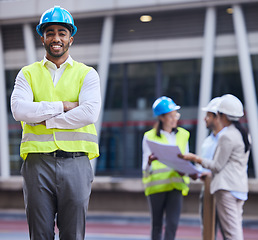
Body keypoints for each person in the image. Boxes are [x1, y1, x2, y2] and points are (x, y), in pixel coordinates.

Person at [10, 6, 101, 240]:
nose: (56, 38)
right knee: (40, 235)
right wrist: (63, 105)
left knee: (73, 235)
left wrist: (47, 121)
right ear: (42, 38)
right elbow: (19, 110)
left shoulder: (87, 74)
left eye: (62, 32)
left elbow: (89, 113)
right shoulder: (27, 74)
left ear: (71, 38)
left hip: (77, 162)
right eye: (50, 32)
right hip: (37, 164)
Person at [179, 94, 250, 240]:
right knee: (235, 230)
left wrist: (195, 158)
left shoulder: (226, 136)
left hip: (226, 188)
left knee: (231, 234)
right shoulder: (243, 134)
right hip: (239, 187)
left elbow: (216, 166)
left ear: (222, 115)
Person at [142, 96, 196, 240]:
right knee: (157, 226)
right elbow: (145, 168)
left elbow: (186, 159)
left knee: (172, 226)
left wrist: (187, 168)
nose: (174, 119)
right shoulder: (149, 137)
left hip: (176, 185)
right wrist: (149, 161)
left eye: (175, 115)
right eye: (171, 116)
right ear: (161, 117)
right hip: (157, 187)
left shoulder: (184, 135)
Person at [198, 97, 226, 239]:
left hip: (223, 190)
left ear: (217, 117)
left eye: (208, 115)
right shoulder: (207, 141)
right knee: (207, 232)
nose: (205, 119)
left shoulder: (228, 139)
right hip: (207, 189)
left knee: (228, 231)